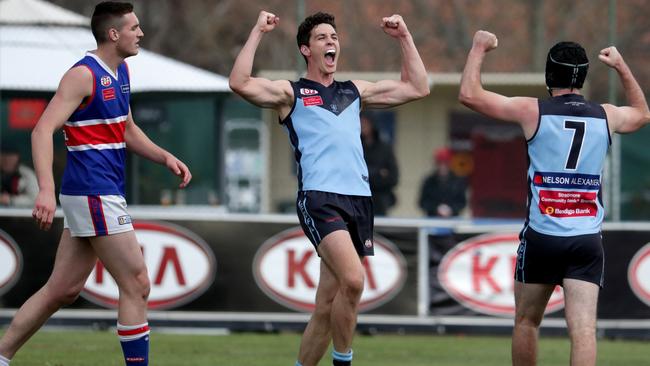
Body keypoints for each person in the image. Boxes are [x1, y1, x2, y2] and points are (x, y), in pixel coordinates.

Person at [229, 11, 428, 366]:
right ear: (306, 49)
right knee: (353, 280)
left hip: (359, 200)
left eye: (334, 37)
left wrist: (404, 37)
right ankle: (343, 362)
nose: (331, 42)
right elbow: (240, 82)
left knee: (326, 305)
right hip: (320, 199)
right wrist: (258, 30)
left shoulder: (354, 91)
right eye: (322, 38)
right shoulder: (291, 92)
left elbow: (418, 87)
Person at [0, 2, 191, 366]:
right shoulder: (83, 75)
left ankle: (1, 354)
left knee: (63, 290)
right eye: (134, 28)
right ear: (113, 34)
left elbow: (127, 129)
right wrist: (44, 189)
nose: (141, 33)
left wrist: (164, 156)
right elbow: (42, 130)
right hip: (93, 191)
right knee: (137, 283)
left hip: (97, 193)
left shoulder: (121, 72)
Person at [459, 30, 650, 366]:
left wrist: (479, 48)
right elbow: (642, 113)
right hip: (585, 240)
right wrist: (621, 67)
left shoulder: (533, 111)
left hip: (543, 238)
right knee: (584, 331)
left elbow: (470, 95)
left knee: (527, 321)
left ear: (550, 75)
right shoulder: (606, 115)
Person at [360, 114, 399, 216]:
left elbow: (393, 177)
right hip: (358, 200)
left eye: (365, 123)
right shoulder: (356, 147)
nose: (362, 125)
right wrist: (378, 173)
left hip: (380, 203)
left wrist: (369, 175)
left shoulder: (385, 148)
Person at [418, 147, 467, 217]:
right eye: (440, 163)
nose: (442, 167)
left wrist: (451, 209)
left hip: (453, 220)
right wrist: (436, 208)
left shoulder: (458, 181)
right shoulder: (429, 181)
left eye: (445, 163)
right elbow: (422, 202)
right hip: (432, 219)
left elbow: (462, 202)